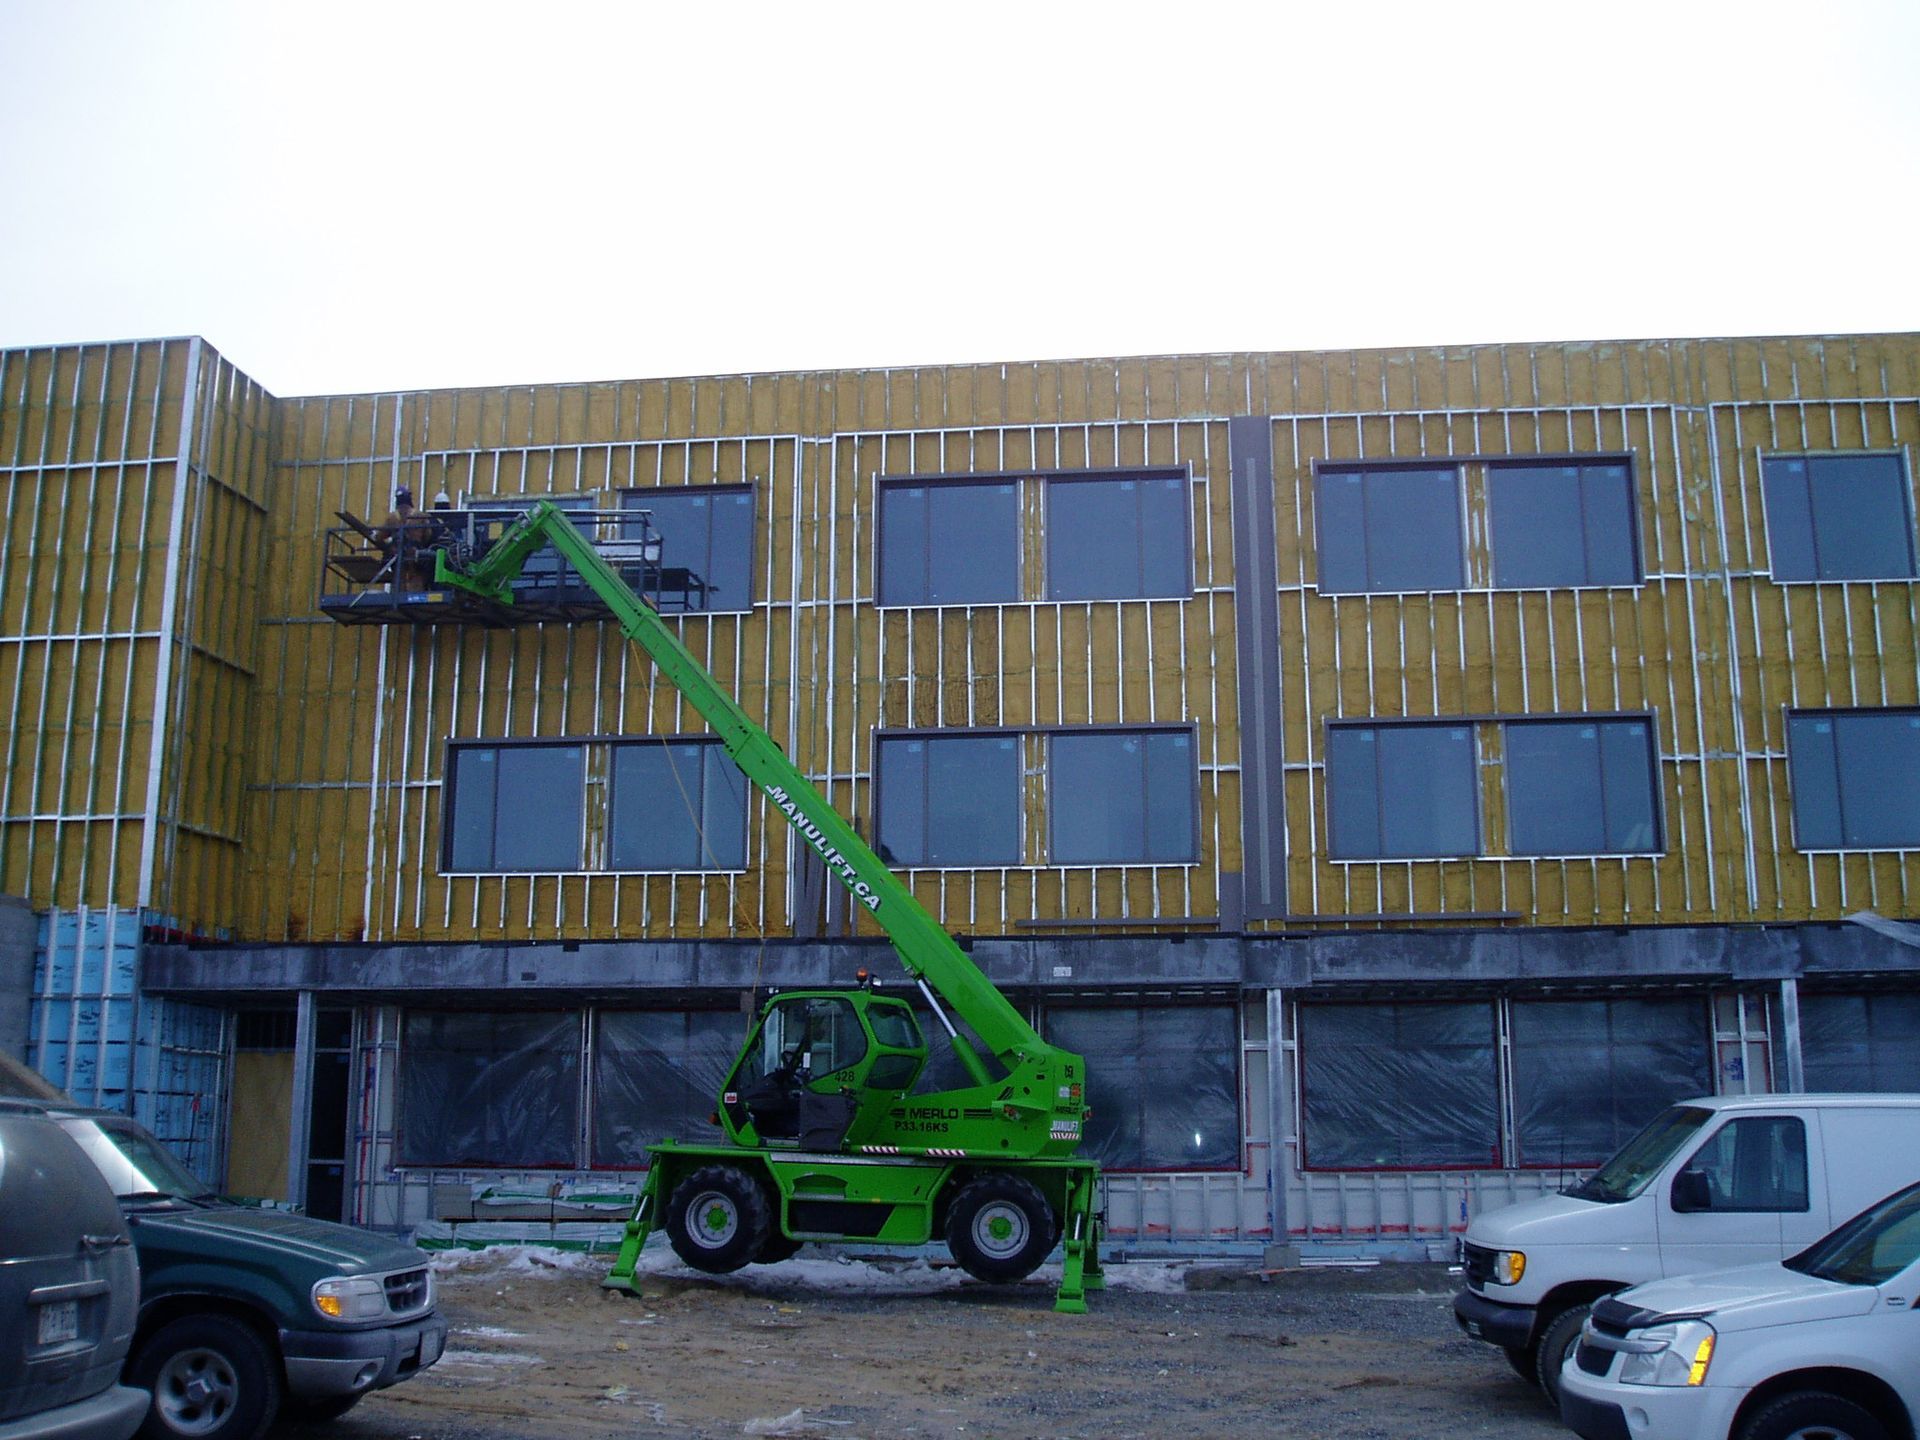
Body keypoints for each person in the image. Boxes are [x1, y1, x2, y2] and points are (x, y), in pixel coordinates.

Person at [375, 486, 439, 586]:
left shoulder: (392, 518)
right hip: (416, 555)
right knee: (417, 584)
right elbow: (428, 536)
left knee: (399, 584)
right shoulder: (420, 515)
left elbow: (379, 538)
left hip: (398, 556)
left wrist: (389, 548)